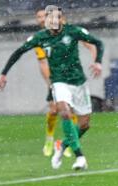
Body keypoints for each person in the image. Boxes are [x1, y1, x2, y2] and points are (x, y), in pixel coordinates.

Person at [0, 5, 104, 170]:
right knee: (64, 111)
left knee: (84, 124)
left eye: (56, 19)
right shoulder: (40, 37)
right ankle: (80, 157)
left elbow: (98, 43)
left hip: (78, 82)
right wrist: (4, 74)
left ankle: (62, 145)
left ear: (61, 19)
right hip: (59, 81)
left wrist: (98, 62)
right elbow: (18, 52)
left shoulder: (73, 31)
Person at [34, 8, 97, 158]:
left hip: (72, 77)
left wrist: (95, 58)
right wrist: (49, 82)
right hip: (55, 79)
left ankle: (68, 142)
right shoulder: (40, 38)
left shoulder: (66, 30)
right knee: (54, 110)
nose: (41, 19)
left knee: (72, 111)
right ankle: (50, 139)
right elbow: (43, 63)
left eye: (44, 16)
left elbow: (89, 42)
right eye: (39, 17)